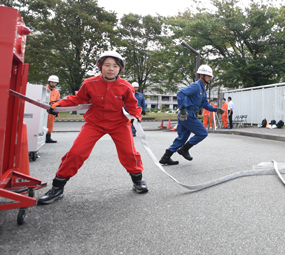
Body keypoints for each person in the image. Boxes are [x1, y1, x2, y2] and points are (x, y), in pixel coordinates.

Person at [37, 51, 146, 205]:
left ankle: (138, 181)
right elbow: (77, 99)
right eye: (107, 65)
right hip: (94, 123)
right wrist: (58, 105)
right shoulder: (89, 83)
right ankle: (58, 187)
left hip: (118, 124)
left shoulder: (126, 86)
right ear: (100, 66)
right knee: (76, 152)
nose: (110, 69)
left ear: (120, 69)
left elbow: (133, 106)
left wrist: (136, 117)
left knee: (129, 153)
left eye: (115, 66)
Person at [158, 65, 225, 165]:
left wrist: (215, 109)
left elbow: (205, 105)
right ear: (202, 75)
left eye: (210, 76)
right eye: (208, 76)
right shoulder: (196, 86)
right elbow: (180, 93)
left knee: (182, 138)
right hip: (187, 113)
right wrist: (182, 108)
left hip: (186, 114)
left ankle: (165, 157)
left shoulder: (203, 89)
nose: (210, 78)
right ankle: (184, 149)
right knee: (203, 133)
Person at [45, 75, 60, 143]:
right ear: (49, 82)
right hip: (44, 108)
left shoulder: (57, 91)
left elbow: (58, 102)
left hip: (52, 109)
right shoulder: (44, 89)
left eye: (55, 82)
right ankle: (42, 137)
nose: (53, 84)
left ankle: (48, 137)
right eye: (52, 82)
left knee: (50, 124)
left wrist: (57, 112)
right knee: (42, 123)